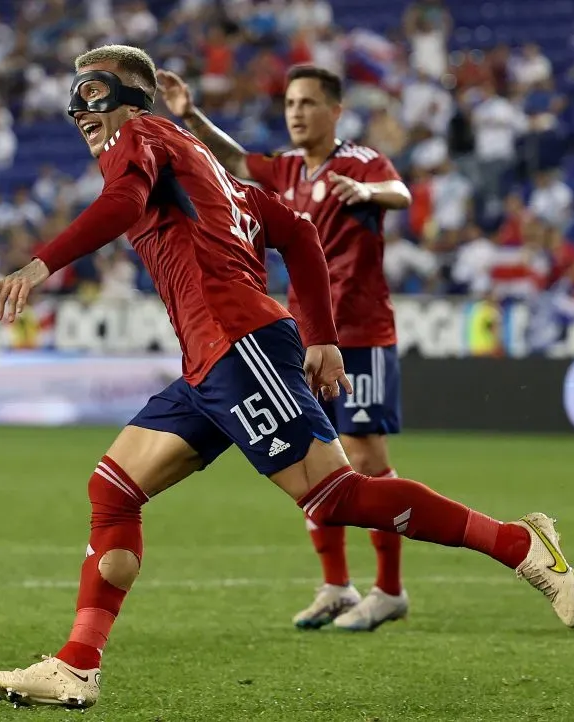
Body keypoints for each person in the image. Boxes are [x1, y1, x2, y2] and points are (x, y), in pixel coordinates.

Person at [0, 45, 574, 711]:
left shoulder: (143, 136)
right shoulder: (205, 166)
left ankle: (519, 544)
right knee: (113, 490)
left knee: (333, 497)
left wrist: (39, 266)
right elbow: (293, 228)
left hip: (238, 345)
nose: (77, 109)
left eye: (90, 93)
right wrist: (320, 336)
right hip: (212, 360)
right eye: (73, 98)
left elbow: (124, 202)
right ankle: (77, 665)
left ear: (129, 97)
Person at [158, 64, 415, 632]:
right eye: (291, 103)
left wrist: (369, 191)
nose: (295, 112)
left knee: (367, 461)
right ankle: (335, 587)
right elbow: (234, 161)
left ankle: (390, 590)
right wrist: (189, 115)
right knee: (316, 458)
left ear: (335, 111)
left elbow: (400, 192)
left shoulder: (360, 163)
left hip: (363, 337)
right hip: (302, 341)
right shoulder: (289, 170)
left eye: (307, 102)